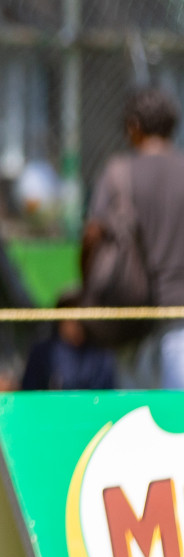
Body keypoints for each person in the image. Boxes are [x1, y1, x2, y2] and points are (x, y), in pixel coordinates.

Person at [85, 87, 184, 388]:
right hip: (181, 316)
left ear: (134, 126)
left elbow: (92, 235)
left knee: (137, 422)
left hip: (129, 316)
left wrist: (90, 286)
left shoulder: (118, 173)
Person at [21, 289, 118, 391]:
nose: (77, 322)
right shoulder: (42, 352)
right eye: (70, 315)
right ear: (59, 320)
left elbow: (106, 391)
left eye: (82, 314)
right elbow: (30, 390)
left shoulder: (101, 354)